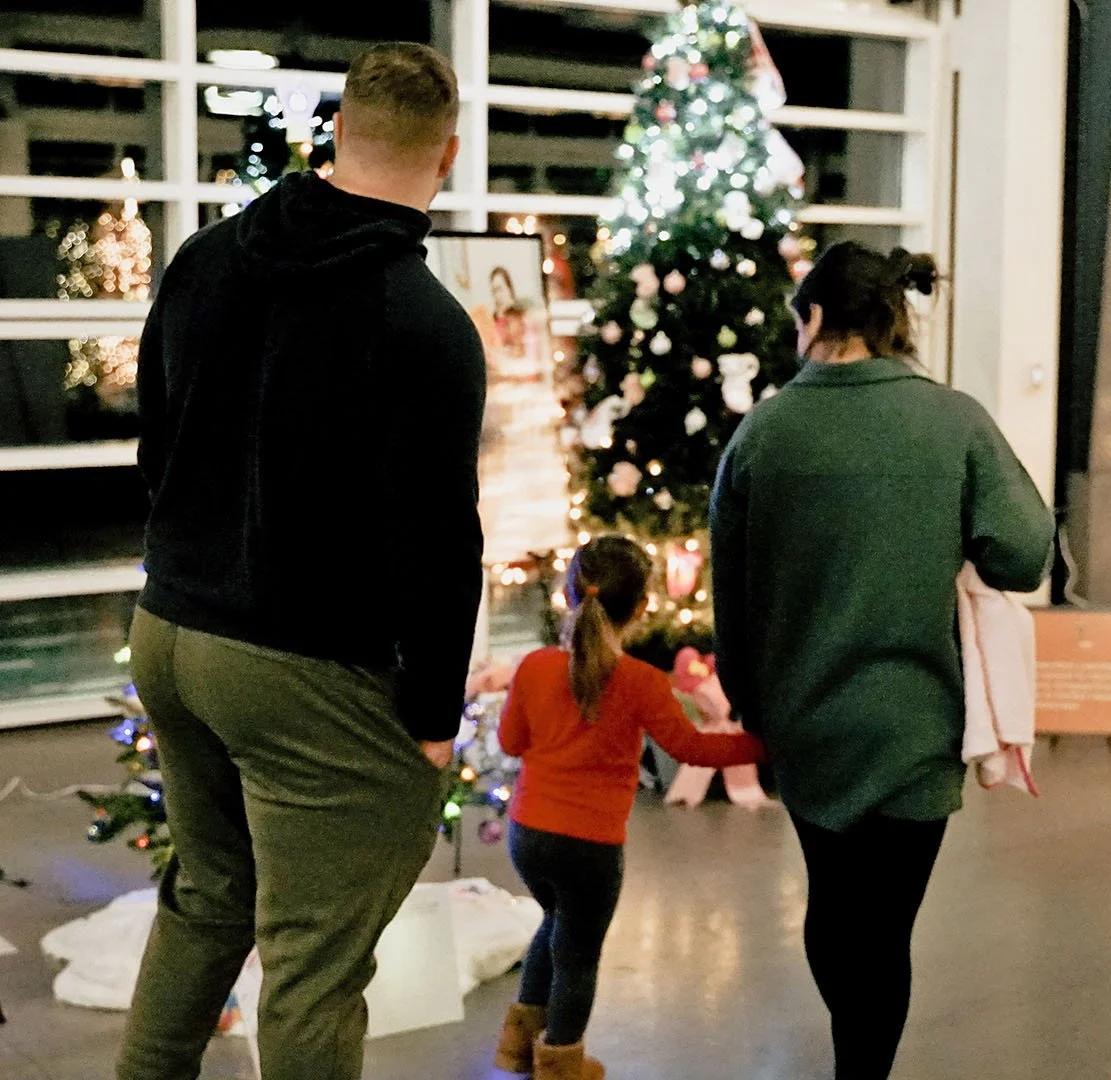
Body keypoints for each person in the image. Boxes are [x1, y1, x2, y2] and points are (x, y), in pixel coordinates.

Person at [120, 43, 484, 1080]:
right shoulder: (425, 324)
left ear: (337, 135)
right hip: (296, 667)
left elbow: (157, 440)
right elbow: (438, 543)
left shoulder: (203, 260)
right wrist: (433, 719)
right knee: (316, 961)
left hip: (169, 633)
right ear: (446, 155)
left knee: (207, 898)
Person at [710, 242, 1055, 1080]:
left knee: (833, 913)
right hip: (916, 728)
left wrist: (750, 701)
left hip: (807, 726)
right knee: (886, 929)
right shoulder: (954, 418)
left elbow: (733, 596)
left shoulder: (765, 430)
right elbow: (1023, 555)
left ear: (817, 318)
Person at [491, 537, 765, 1080]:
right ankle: (561, 1065)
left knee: (555, 922)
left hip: (527, 836)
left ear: (568, 597)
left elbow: (510, 743)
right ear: (642, 607)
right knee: (578, 955)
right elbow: (692, 748)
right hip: (589, 848)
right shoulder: (640, 682)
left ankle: (518, 1044)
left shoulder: (534, 667)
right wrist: (765, 744)